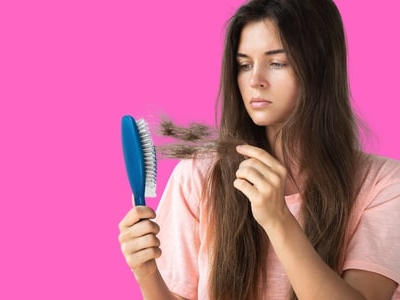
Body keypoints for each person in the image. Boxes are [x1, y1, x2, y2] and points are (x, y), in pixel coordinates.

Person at [117, 0, 400, 299]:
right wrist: (147, 274)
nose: (255, 81)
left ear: (321, 68)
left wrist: (278, 219)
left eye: (277, 63)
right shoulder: (198, 176)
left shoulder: (384, 185)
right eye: (244, 65)